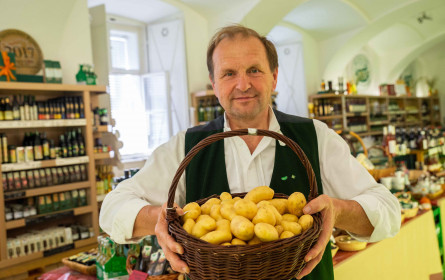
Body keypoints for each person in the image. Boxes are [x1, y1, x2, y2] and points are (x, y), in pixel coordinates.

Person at [100, 25, 401, 279]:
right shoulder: (186, 146)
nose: (243, 84)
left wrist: (338, 211)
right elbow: (113, 207)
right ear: (214, 85)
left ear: (274, 77)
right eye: (229, 73)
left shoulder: (314, 136)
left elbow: (388, 210)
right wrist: (158, 218)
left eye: (254, 70)